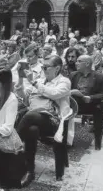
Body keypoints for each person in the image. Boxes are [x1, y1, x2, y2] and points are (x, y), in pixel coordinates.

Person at [15, 55, 73, 187]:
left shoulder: (64, 82)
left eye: (46, 67)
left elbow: (54, 94)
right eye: (42, 66)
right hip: (35, 119)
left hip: (55, 122)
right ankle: (30, 171)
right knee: (32, 129)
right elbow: (25, 98)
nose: (43, 69)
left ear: (57, 68)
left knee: (29, 115)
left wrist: (35, 83)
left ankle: (13, 148)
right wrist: (20, 78)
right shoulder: (41, 80)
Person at [70, 55, 103, 150]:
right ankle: (64, 138)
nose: (76, 63)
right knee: (63, 107)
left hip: (91, 105)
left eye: (79, 61)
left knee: (99, 110)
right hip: (75, 103)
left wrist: (91, 97)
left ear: (87, 63)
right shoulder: (73, 75)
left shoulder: (99, 76)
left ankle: (98, 143)